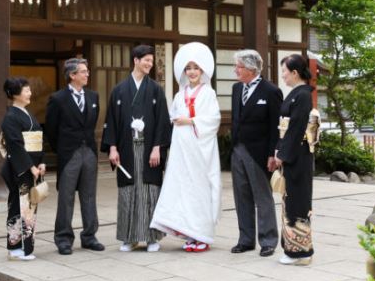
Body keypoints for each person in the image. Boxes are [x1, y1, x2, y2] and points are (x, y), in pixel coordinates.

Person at [150, 42, 221, 252]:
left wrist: (190, 121)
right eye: (188, 68)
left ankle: (203, 235)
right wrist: (178, 120)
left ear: (202, 71)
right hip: (182, 149)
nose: (191, 72)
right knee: (183, 188)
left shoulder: (209, 94)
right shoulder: (180, 95)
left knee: (200, 189)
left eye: (195, 68)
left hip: (201, 149)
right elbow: (173, 115)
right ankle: (190, 233)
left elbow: (214, 119)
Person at [101, 44, 171, 252]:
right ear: (136, 61)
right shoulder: (119, 90)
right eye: (146, 60)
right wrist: (112, 148)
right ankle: (128, 238)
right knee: (128, 192)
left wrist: (157, 147)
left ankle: (152, 238)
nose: (150, 63)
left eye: (151, 60)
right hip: (126, 148)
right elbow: (111, 121)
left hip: (150, 148)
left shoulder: (156, 90)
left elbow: (162, 122)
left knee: (150, 191)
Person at [45, 58, 104, 255]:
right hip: (69, 153)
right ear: (72, 75)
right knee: (66, 197)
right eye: (83, 71)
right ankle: (63, 238)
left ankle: (89, 236)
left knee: (89, 196)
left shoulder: (93, 96)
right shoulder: (58, 99)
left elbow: (92, 123)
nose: (87, 74)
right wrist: (62, 149)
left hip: (89, 152)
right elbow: (51, 130)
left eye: (87, 71)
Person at [230, 49, 283, 257]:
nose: (236, 70)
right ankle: (246, 239)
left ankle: (268, 240)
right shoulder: (236, 89)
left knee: (262, 197)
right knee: (241, 196)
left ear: (251, 69)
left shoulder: (270, 91)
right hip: (237, 149)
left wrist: (273, 153)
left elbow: (275, 126)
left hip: (260, 151)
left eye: (239, 67)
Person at [272, 54, 315, 265]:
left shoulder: (303, 96)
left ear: (295, 73)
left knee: (298, 201)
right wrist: (279, 149)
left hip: (299, 155)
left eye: (285, 72)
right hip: (292, 152)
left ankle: (301, 251)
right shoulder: (297, 94)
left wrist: (282, 154)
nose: (283, 76)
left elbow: (297, 128)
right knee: (289, 201)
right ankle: (292, 249)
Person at [0, 77, 46, 261]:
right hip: (19, 168)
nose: (30, 93)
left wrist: (41, 161)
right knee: (18, 207)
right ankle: (15, 247)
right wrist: (30, 166)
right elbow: (15, 145)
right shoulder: (10, 117)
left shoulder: (27, 114)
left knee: (29, 207)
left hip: (32, 166)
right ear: (15, 94)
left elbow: (37, 139)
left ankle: (26, 247)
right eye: (26, 90)